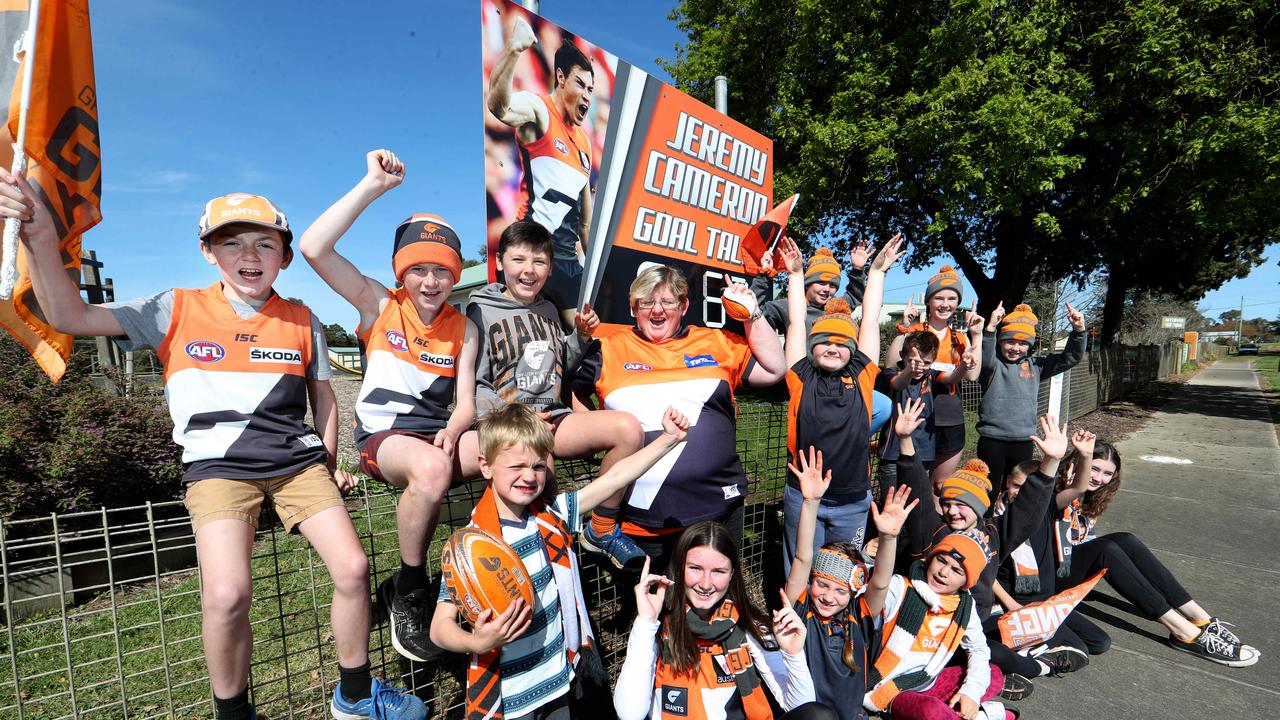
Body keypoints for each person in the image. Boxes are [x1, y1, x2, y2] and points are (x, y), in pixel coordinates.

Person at [6, 179, 425, 720]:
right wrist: (40, 235)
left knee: (352, 569)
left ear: (285, 256)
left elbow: (323, 398)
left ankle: (355, 696)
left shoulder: (303, 319)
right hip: (217, 472)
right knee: (226, 595)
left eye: (265, 244)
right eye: (232, 243)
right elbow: (69, 317)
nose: (249, 255)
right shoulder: (172, 308)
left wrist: (327, 461)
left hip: (299, 467)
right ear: (207, 251)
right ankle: (233, 713)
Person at [297, 149, 480, 663]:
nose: (430, 281)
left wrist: (457, 427)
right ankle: (411, 588)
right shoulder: (379, 304)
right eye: (417, 269)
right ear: (401, 271)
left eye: (441, 270)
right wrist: (372, 186)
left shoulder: (463, 326)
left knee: (515, 451)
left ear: (455, 274)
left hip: (436, 437)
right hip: (384, 441)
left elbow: (464, 403)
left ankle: (480, 571)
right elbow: (313, 246)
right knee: (428, 467)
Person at [430, 403, 689, 720]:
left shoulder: (551, 516)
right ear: (485, 466)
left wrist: (667, 439)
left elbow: (616, 477)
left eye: (539, 466)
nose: (529, 476)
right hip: (510, 699)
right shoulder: (470, 549)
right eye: (517, 466)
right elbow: (439, 628)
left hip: (558, 682)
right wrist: (476, 640)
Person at [571, 266, 787, 571]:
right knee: (651, 609)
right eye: (646, 302)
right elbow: (571, 389)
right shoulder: (607, 348)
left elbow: (775, 369)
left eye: (668, 302)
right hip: (642, 522)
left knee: (712, 604)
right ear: (634, 308)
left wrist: (753, 315)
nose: (657, 310)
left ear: (684, 306)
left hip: (718, 510)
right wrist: (591, 431)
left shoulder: (717, 341)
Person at [467, 219, 646, 570]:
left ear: (550, 268)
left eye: (539, 262)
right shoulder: (479, 311)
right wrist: (516, 421)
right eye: (519, 260)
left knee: (629, 429)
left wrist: (578, 337)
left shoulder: (549, 309)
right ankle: (536, 565)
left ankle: (601, 528)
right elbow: (476, 384)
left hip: (554, 415)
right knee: (541, 477)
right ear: (500, 262)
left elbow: (557, 361)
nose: (529, 271)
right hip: (512, 424)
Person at [895, 397, 1076, 701]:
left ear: (980, 508)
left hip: (972, 623)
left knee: (992, 651)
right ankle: (1008, 675)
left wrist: (1050, 463)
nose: (953, 511)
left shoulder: (993, 534)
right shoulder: (934, 529)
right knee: (979, 658)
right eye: (949, 503)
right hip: (927, 626)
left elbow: (1027, 511)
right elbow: (917, 489)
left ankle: (1034, 666)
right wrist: (905, 441)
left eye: (963, 505)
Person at [1021, 438, 1260, 667]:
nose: (1099, 478)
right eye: (1093, 469)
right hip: (1047, 577)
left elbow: (1082, 539)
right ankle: (1181, 631)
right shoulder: (1056, 493)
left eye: (1107, 473)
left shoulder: (1090, 499)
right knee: (1107, 551)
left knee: (1126, 540)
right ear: (1077, 465)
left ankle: (1200, 618)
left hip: (1067, 565)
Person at [614, 521, 827, 720]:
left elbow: (801, 708)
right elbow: (629, 713)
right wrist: (645, 622)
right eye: (695, 568)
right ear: (679, 568)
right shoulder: (659, 622)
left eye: (718, 571)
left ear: (732, 573)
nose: (706, 584)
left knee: (820, 716)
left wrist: (793, 655)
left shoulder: (748, 624)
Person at [779, 234, 904, 569]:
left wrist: (876, 274)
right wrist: (794, 276)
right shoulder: (800, 375)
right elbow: (795, 322)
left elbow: (871, 319)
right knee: (800, 569)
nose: (832, 348)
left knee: (845, 571)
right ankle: (797, 620)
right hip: (803, 496)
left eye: (841, 343)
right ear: (812, 345)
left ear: (852, 349)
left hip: (852, 499)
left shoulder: (863, 374)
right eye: (823, 342)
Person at [782, 443, 918, 720]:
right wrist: (810, 502)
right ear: (810, 583)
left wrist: (889, 538)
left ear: (853, 591)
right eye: (822, 584)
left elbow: (880, 582)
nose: (829, 596)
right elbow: (802, 558)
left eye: (840, 590)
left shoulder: (859, 615)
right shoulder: (801, 610)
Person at [488, 15, 594, 323]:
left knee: (583, 346)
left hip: (568, 264)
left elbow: (585, 224)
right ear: (560, 78)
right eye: (580, 84)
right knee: (531, 344)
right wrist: (514, 48)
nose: (587, 95)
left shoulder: (584, 142)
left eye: (591, 88)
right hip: (534, 254)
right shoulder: (540, 110)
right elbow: (500, 107)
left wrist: (594, 271)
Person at [863, 528, 1010, 720]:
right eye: (941, 560)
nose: (943, 572)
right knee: (930, 711)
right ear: (930, 558)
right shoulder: (900, 587)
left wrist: (971, 694)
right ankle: (984, 716)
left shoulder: (965, 604)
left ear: (967, 582)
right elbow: (865, 597)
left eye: (956, 570)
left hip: (929, 681)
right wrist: (866, 560)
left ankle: (964, 711)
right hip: (891, 689)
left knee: (994, 673)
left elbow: (978, 649)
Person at [887, 266, 984, 490]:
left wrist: (976, 335)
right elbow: (892, 365)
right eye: (939, 297)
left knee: (939, 486)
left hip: (949, 420)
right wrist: (906, 330)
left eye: (952, 298)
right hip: (917, 419)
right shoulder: (915, 331)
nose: (945, 304)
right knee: (914, 484)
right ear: (928, 301)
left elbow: (972, 375)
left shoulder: (960, 338)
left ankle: (936, 525)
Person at [976, 301, 1085, 499]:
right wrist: (991, 328)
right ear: (1000, 342)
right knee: (987, 489)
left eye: (1023, 343)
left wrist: (1078, 331)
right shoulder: (992, 365)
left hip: (1023, 440)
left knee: (1016, 489)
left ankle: (1010, 524)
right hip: (992, 439)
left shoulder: (1036, 366)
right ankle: (985, 525)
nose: (1016, 348)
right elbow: (984, 355)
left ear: (1030, 346)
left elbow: (1070, 358)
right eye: (1010, 341)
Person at [878, 328, 978, 492]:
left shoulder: (931, 375)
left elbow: (952, 378)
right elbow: (898, 384)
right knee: (890, 502)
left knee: (916, 502)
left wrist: (963, 366)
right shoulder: (891, 373)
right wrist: (910, 369)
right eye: (912, 360)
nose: (919, 367)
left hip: (922, 453)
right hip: (892, 454)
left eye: (926, 363)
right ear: (902, 355)